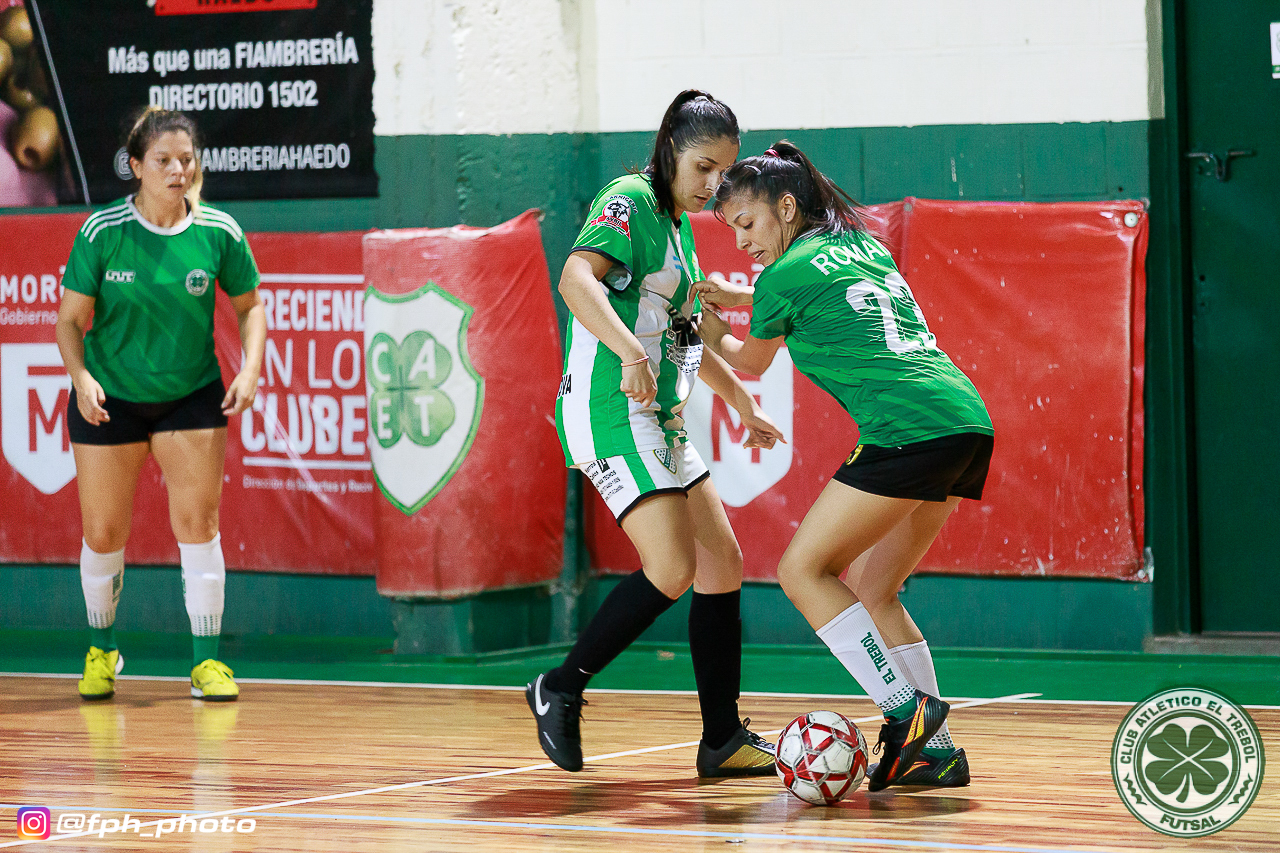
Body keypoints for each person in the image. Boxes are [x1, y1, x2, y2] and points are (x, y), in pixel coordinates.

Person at [695, 141, 994, 791]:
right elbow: (807, 291)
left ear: (785, 205)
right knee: (875, 588)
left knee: (802, 569)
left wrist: (709, 329)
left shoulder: (780, 278)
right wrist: (734, 294)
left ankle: (906, 713)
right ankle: (937, 752)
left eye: (747, 224)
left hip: (905, 430)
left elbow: (750, 363)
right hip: (964, 420)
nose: (742, 242)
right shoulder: (862, 243)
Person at [527, 90, 784, 777]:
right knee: (672, 567)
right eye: (702, 167)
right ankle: (561, 685)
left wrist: (742, 404)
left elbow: (691, 331)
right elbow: (574, 278)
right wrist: (628, 352)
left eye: (722, 174)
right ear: (669, 146)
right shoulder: (630, 199)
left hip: (661, 418)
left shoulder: (681, 231)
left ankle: (721, 737)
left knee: (721, 561)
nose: (712, 185)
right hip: (609, 409)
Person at [55, 108, 266, 703]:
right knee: (102, 532)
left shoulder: (220, 232)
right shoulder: (103, 232)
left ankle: (207, 664)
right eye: (163, 160)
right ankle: (102, 651)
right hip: (110, 400)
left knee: (199, 527)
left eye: (186, 159)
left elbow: (251, 306)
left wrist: (250, 369)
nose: (178, 170)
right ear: (136, 166)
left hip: (190, 400)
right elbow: (70, 321)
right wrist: (80, 378)